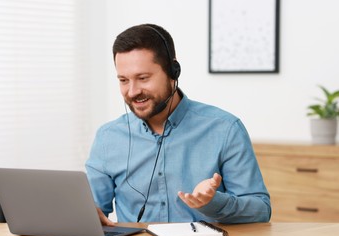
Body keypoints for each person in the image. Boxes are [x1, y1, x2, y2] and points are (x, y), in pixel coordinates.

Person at [85, 23, 271, 225]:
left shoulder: (225, 129)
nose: (132, 91)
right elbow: (92, 212)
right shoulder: (108, 137)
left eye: (143, 78)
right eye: (123, 80)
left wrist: (213, 202)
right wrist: (83, 215)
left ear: (173, 71)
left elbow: (260, 210)